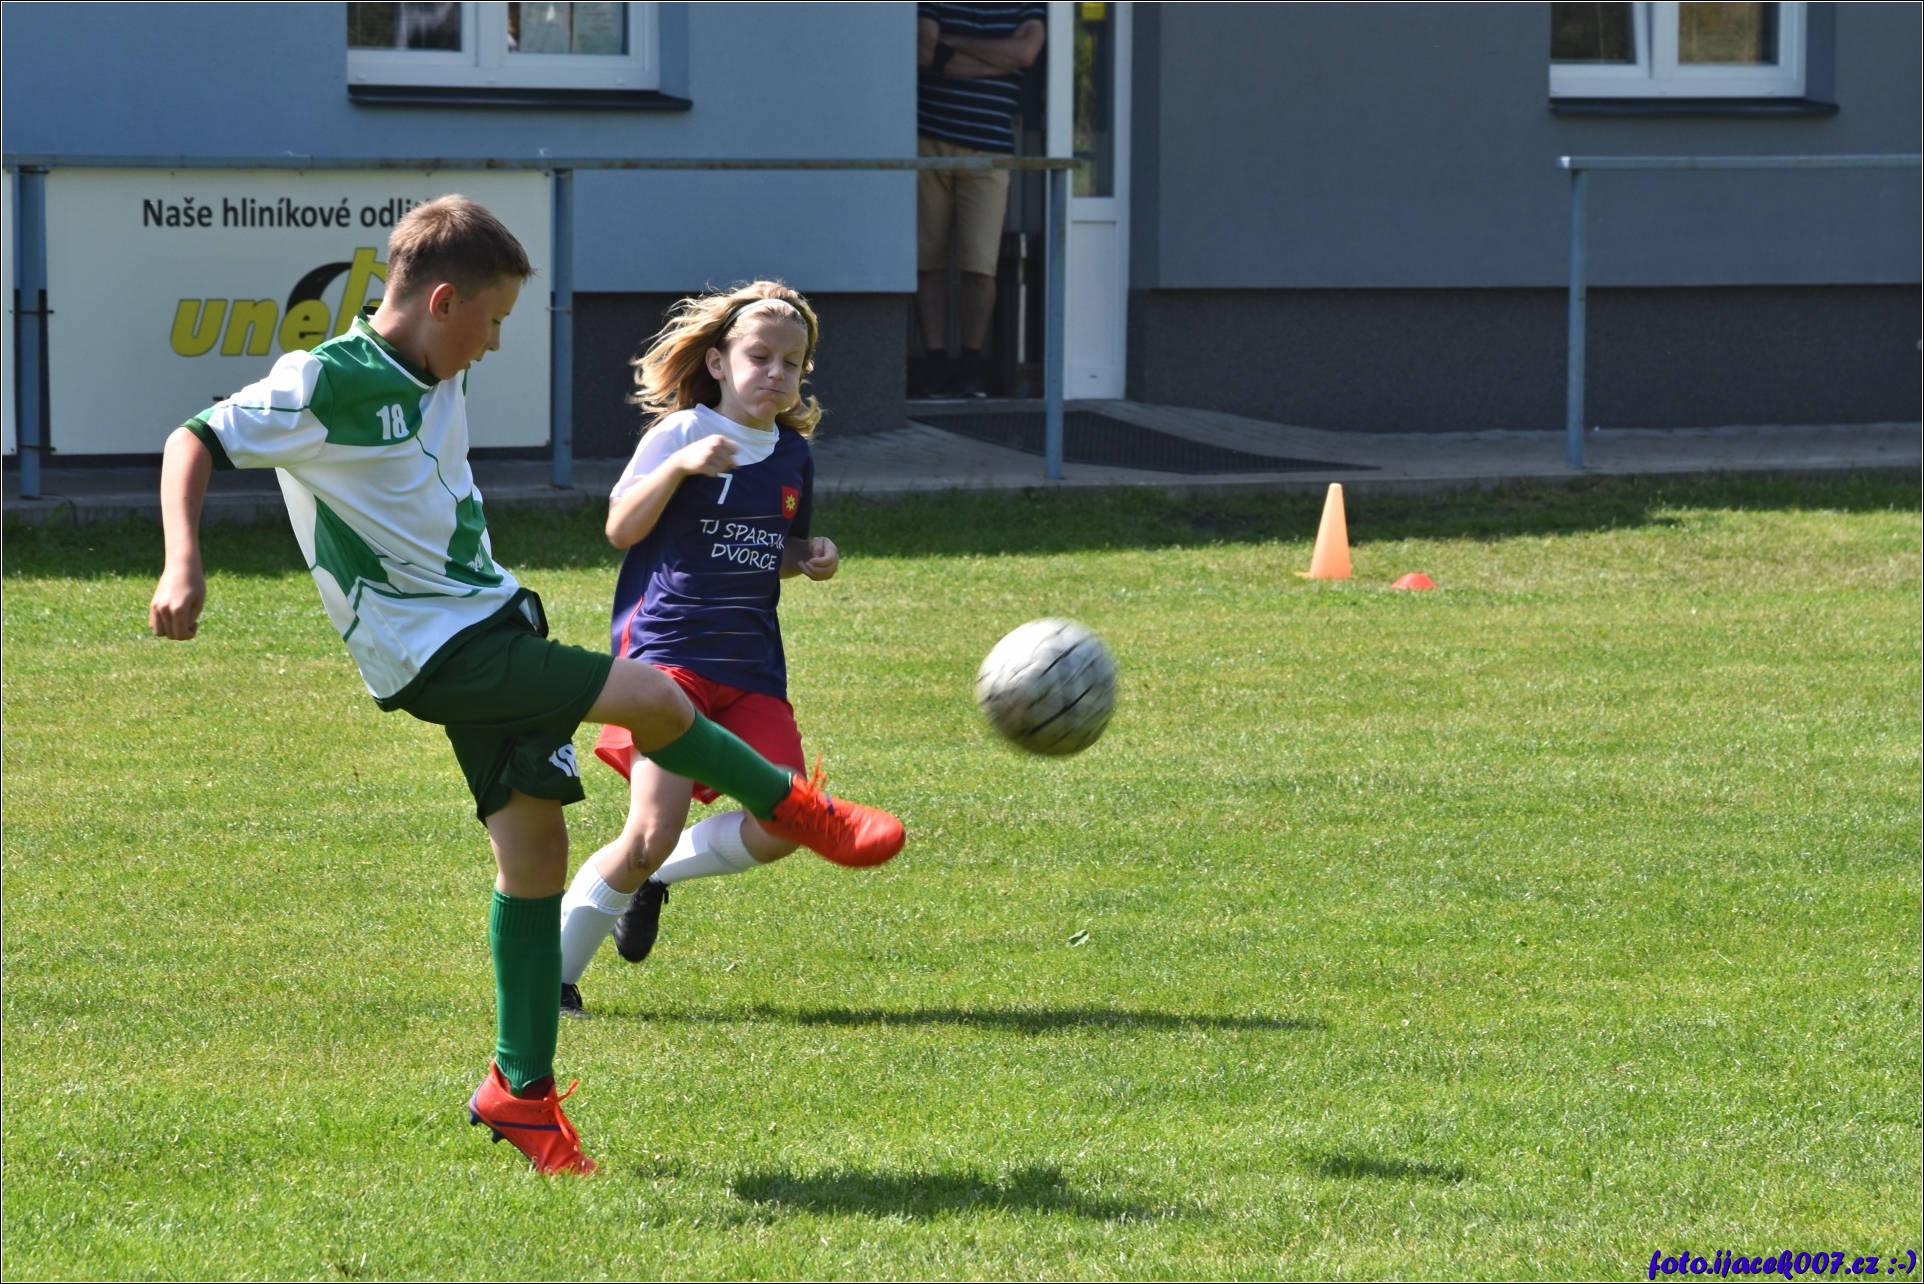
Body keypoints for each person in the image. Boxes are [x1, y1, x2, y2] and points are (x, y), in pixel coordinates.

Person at [146, 199, 904, 1176]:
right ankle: (801, 811)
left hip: (493, 618)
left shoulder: (435, 364)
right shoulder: (325, 381)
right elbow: (194, 438)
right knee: (656, 701)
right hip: (437, 651)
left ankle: (521, 1094)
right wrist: (183, 563)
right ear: (442, 302)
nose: (496, 342)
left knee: (537, 850)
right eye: (493, 319)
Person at [556, 283, 851, 1016]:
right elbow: (621, 529)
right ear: (718, 362)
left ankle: (655, 881)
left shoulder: (792, 455)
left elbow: (771, 549)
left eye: (792, 362)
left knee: (788, 820)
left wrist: (810, 555)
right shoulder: (682, 432)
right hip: (668, 658)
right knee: (648, 832)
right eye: (760, 356)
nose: (776, 373)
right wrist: (680, 467)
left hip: (752, 669)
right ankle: (551, 979)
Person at [914, 1, 1047, 399]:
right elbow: (925, 53)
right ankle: (935, 364)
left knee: (979, 268)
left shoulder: (1026, 6)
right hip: (928, 145)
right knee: (928, 264)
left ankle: (970, 366)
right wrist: (998, 60)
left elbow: (1025, 54)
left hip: (990, 152)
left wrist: (953, 46)